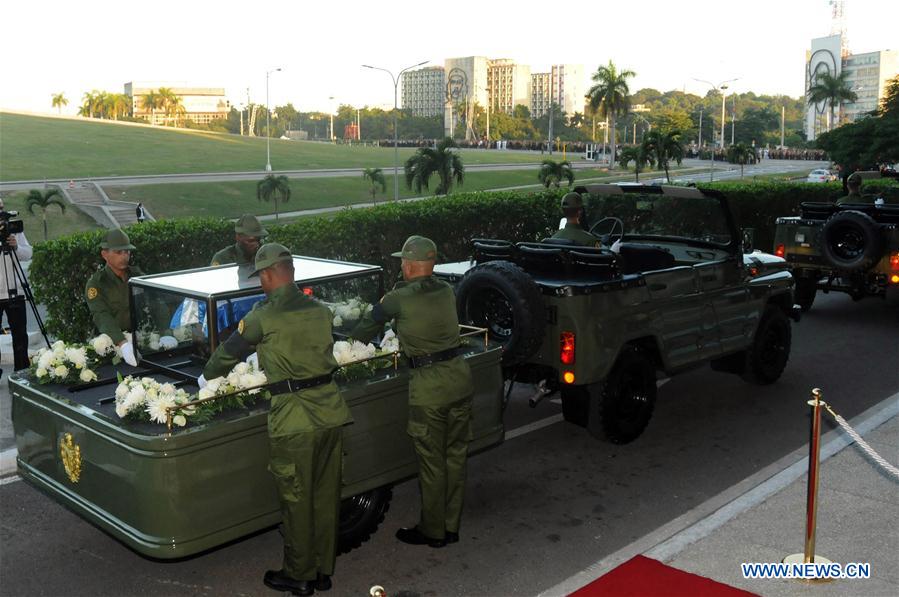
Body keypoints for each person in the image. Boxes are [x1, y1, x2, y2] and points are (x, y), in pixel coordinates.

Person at [200, 243, 350, 596]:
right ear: (292, 272)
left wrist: (206, 377)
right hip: (331, 411)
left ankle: (299, 574)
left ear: (267, 275)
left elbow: (228, 353)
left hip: (294, 418)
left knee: (296, 499)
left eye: (260, 277)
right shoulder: (320, 310)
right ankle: (322, 570)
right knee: (326, 496)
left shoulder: (262, 316)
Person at [351, 235, 474, 549]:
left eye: (402, 262)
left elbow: (366, 328)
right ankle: (451, 526)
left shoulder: (398, 298)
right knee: (455, 457)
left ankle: (433, 531)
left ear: (407, 264)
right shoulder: (446, 290)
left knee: (432, 463)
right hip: (459, 379)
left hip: (430, 387)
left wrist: (347, 342)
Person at [85, 229, 141, 366]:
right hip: (109, 346)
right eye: (118, 252)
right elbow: (101, 315)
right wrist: (122, 343)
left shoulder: (137, 276)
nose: (124, 256)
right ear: (104, 254)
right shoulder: (97, 283)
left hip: (139, 341)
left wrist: (166, 332)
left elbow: (155, 303)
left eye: (127, 252)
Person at [0, 198, 33, 371]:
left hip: (15, 292)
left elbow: (28, 253)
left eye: (2, 207)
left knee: (20, 336)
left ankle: (22, 373)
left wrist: (16, 247)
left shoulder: (13, 229)